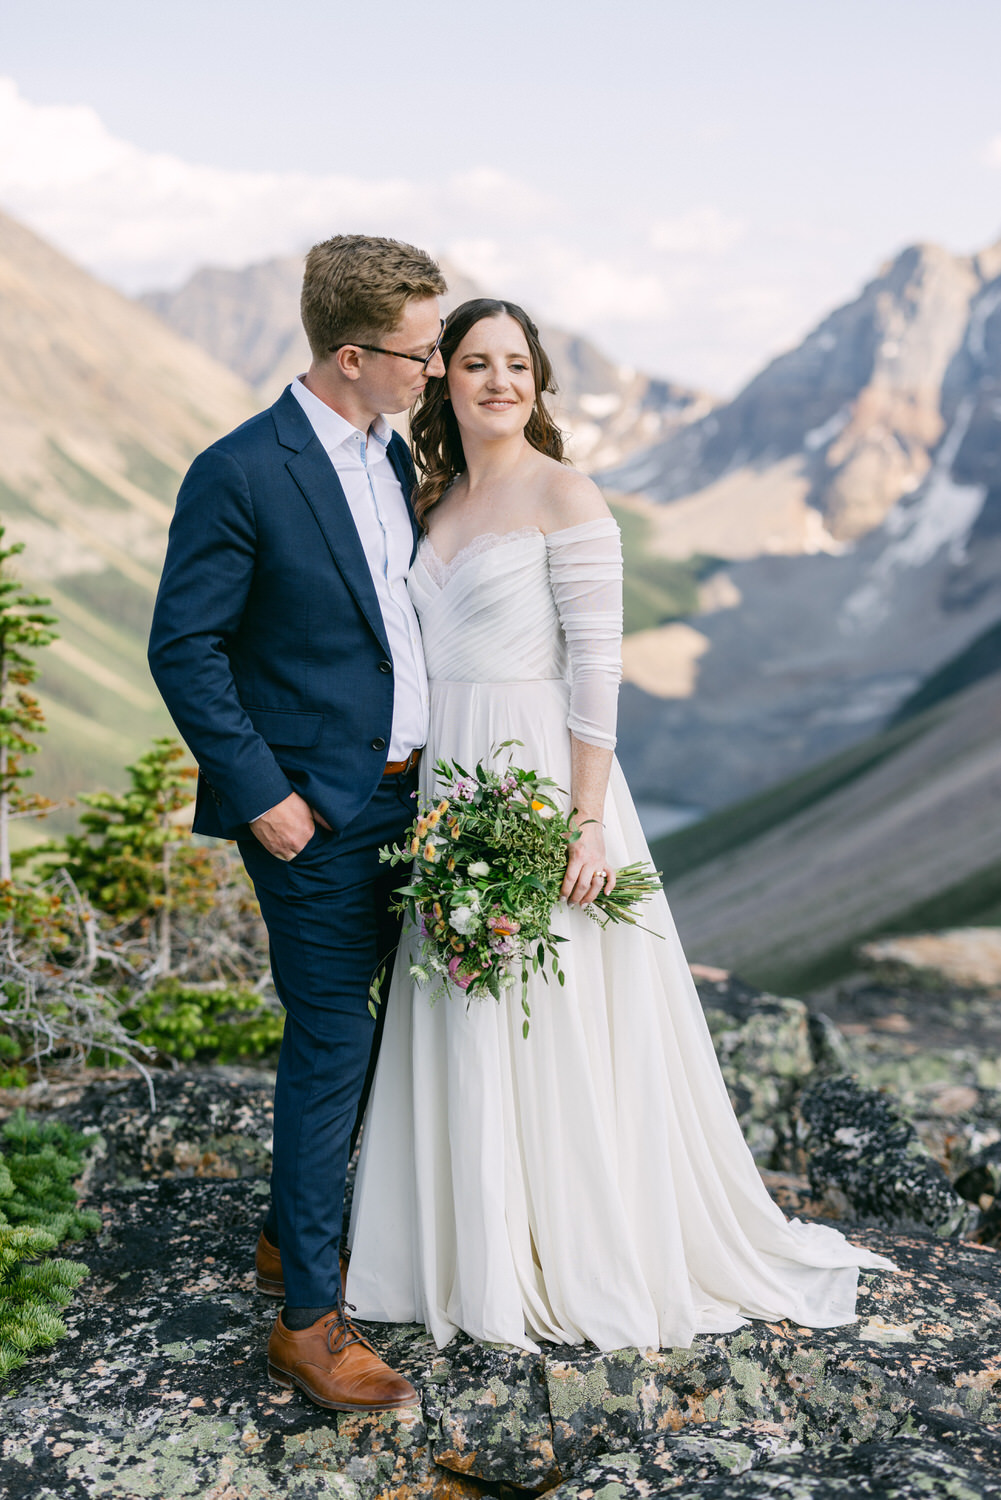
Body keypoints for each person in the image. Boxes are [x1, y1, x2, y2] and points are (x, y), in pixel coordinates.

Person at [346, 298, 894, 1353]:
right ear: (443, 380)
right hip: (448, 783)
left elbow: (595, 668)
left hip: (545, 779)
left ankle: (567, 1244)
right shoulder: (433, 501)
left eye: (515, 363)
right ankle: (467, 1247)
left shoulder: (567, 495)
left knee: (552, 1014)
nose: (496, 380)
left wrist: (582, 823)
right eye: (473, 362)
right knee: (462, 998)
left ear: (537, 382)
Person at [148, 234, 448, 1410]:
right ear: (350, 354)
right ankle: (309, 1322)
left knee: (384, 1036)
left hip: (412, 803)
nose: (433, 370)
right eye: (420, 353)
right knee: (332, 1041)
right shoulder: (242, 469)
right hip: (313, 814)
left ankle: (290, 1229)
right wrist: (266, 798)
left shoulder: (389, 455)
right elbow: (185, 646)